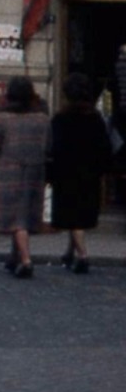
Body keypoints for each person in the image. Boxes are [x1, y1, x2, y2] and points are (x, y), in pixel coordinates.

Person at [0, 74, 52, 279]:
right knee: (23, 213)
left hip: (8, 170)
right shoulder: (42, 119)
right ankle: (14, 256)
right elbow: (48, 146)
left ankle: (26, 260)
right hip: (35, 170)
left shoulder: (2, 118)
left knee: (17, 219)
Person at [49, 72, 114, 274]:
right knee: (78, 215)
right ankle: (69, 251)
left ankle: (83, 255)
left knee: (73, 216)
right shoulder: (95, 119)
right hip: (89, 173)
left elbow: (55, 148)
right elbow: (105, 147)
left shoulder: (60, 119)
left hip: (67, 172)